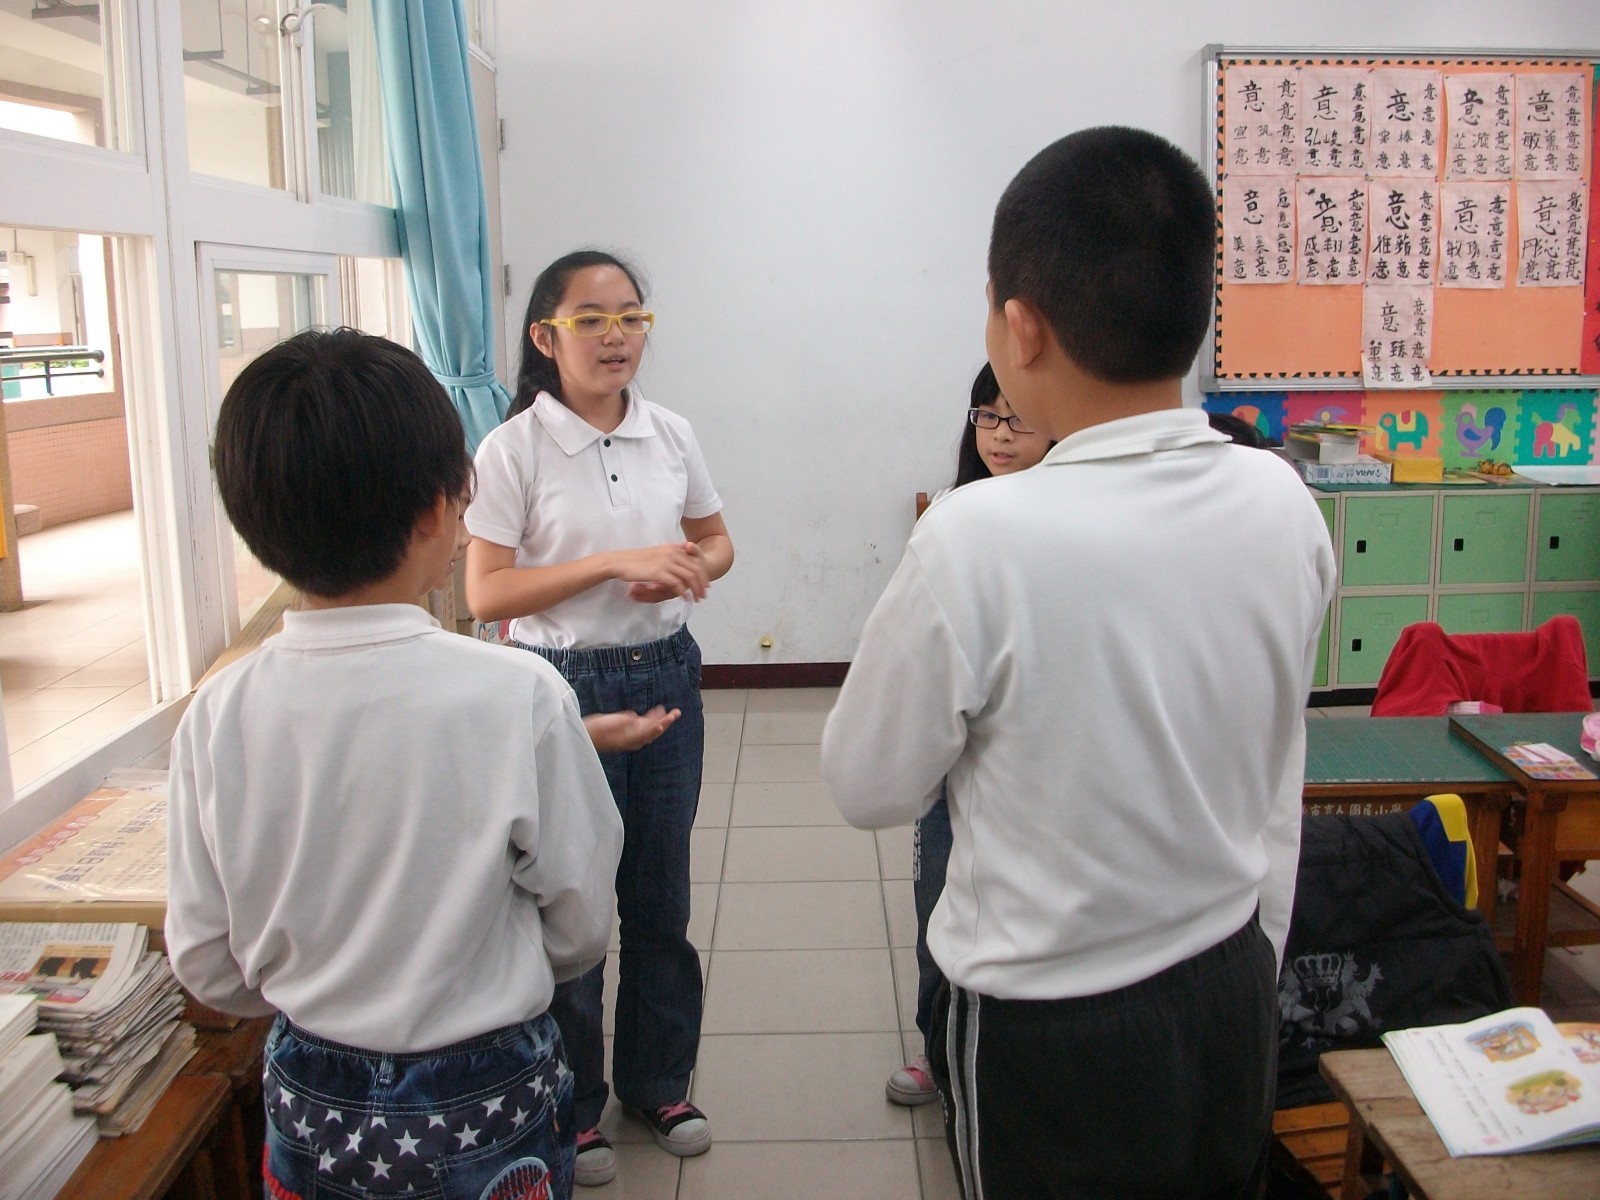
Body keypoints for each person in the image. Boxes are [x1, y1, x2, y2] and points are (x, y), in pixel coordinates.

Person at [822, 127, 1337, 1198]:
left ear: (1021, 328)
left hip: (1048, 1025)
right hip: (1229, 979)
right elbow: (1277, 763)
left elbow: (866, 784)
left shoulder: (976, 535)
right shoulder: (1280, 500)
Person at [165, 328, 627, 1200]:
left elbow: (208, 963)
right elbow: (580, 923)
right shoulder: (518, 694)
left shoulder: (217, 714)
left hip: (312, 1092)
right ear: (432, 515)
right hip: (487, 1088)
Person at [465, 250, 734, 1187]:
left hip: (664, 672)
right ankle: (573, 1106)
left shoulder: (671, 432)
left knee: (659, 896)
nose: (616, 336)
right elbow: (485, 591)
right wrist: (616, 564)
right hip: (559, 685)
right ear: (546, 336)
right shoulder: (513, 449)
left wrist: (690, 568)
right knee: (570, 900)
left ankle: (659, 1084)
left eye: (631, 317)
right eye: (592, 319)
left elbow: (717, 540)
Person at [887, 362, 1051, 1108]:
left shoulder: (1070, 513)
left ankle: (1004, 1052)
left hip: (1032, 757)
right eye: (987, 416)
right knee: (939, 902)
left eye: (1017, 418)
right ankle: (936, 1046)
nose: (1000, 436)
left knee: (1019, 911)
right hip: (953, 751)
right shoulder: (950, 514)